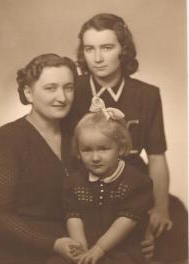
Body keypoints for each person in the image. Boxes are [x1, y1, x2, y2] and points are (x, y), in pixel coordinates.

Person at [73, 13, 188, 263]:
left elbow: (156, 157)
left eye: (107, 47)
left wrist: (160, 208)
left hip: (136, 185)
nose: (98, 57)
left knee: (173, 222)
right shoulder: (73, 90)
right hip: (85, 184)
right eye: (89, 49)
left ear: (123, 50)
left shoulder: (146, 94)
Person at [0, 53, 83, 264]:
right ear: (28, 93)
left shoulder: (78, 135)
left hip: (75, 247)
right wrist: (54, 243)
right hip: (24, 253)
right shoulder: (7, 138)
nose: (62, 97)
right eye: (51, 88)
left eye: (68, 87)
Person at [63, 96, 153, 264]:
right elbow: (73, 216)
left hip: (122, 250)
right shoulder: (74, 182)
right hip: (88, 248)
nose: (95, 157)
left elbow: (127, 220)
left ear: (121, 148)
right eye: (87, 150)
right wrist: (80, 247)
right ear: (78, 151)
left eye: (103, 149)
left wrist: (99, 249)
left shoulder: (136, 182)